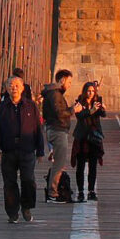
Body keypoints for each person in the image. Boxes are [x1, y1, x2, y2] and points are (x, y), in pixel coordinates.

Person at [0, 68, 45, 224]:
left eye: (16, 85)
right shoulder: (0, 108)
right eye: (10, 85)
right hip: (8, 150)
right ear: (6, 89)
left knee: (28, 180)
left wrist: (40, 150)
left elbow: (37, 129)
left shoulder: (31, 106)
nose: (13, 88)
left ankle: (26, 207)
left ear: (22, 88)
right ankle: (12, 213)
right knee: (9, 183)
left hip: (27, 149)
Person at [41, 69, 76, 202]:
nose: (70, 85)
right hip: (58, 130)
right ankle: (52, 193)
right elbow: (59, 113)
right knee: (59, 164)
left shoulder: (52, 93)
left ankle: (53, 191)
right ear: (62, 80)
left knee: (59, 163)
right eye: (69, 82)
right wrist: (73, 110)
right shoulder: (55, 94)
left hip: (55, 129)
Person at [72, 80, 107, 201]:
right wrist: (91, 110)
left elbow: (103, 115)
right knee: (80, 166)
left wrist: (102, 108)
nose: (90, 93)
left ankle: (91, 191)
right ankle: (81, 191)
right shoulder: (78, 103)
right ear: (84, 91)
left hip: (94, 138)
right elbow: (80, 116)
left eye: (93, 91)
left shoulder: (97, 101)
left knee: (93, 165)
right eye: (88, 91)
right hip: (82, 137)